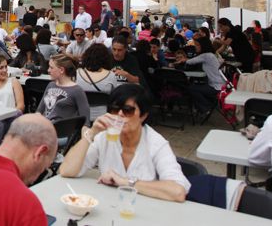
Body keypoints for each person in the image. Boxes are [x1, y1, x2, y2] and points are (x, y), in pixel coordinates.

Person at [60, 84, 190, 202]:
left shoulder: (156, 144)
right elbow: (67, 171)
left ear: (143, 115)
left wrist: (126, 182)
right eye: (115, 109)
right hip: (110, 206)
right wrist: (91, 133)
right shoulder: (104, 137)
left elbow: (178, 191)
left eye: (128, 110)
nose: (120, 114)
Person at [37, 54, 90, 131]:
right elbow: (39, 111)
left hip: (62, 133)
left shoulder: (77, 90)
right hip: (46, 129)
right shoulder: (51, 85)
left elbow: (86, 122)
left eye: (51, 67)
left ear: (61, 70)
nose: (48, 70)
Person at [174, 36, 225, 116]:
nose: (196, 47)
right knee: (196, 86)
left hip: (216, 87)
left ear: (203, 46)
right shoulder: (211, 55)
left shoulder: (206, 55)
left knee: (191, 88)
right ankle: (204, 106)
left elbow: (190, 61)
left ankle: (206, 107)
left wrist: (181, 60)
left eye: (197, 45)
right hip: (220, 85)